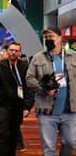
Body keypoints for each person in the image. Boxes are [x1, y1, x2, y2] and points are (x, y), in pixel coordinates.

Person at [26, 26, 76, 156]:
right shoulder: (38, 58)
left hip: (70, 110)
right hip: (46, 111)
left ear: (60, 38)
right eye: (46, 37)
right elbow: (29, 79)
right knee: (48, 148)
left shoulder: (73, 56)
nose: (48, 39)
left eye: (51, 36)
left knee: (71, 142)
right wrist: (42, 88)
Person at [0, 41, 34, 156]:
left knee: (14, 134)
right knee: (3, 133)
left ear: (19, 52)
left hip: (18, 105)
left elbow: (28, 87)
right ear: (7, 51)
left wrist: (27, 106)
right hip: (2, 105)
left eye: (16, 51)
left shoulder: (24, 66)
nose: (13, 53)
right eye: (11, 50)